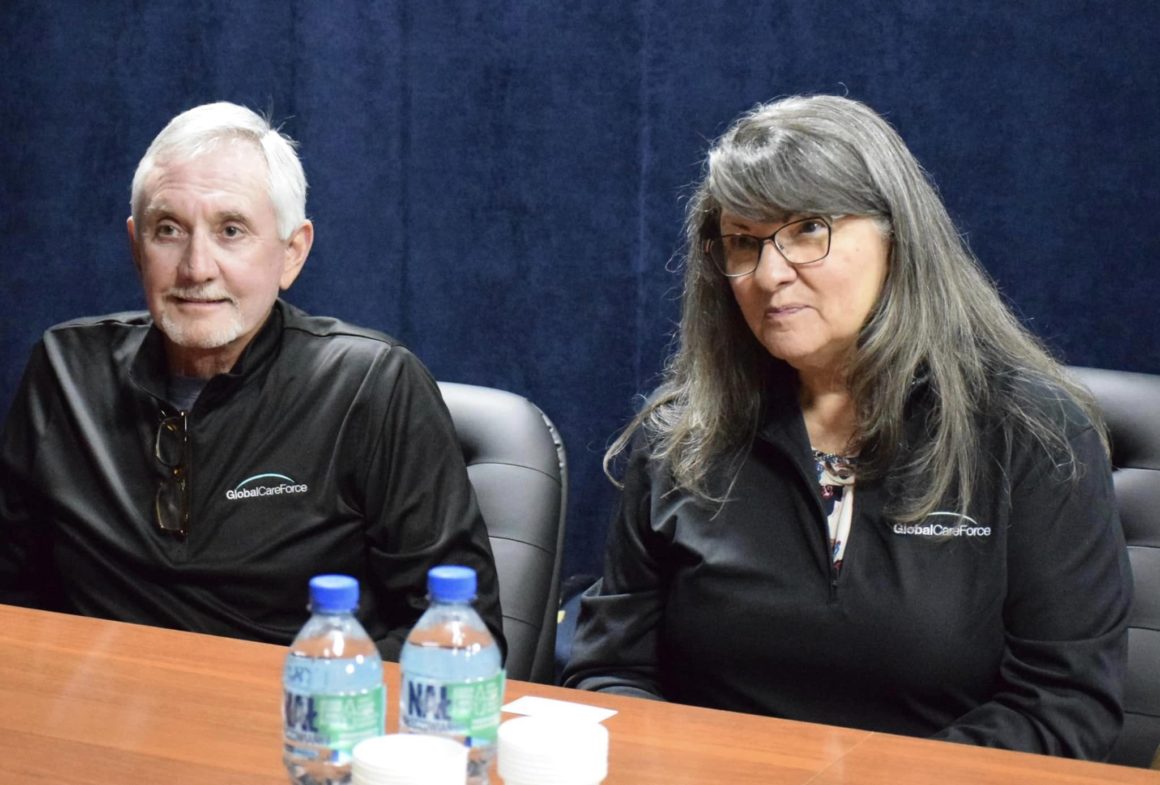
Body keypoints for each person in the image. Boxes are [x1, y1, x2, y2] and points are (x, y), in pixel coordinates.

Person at [562, 95, 1132, 759]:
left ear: (897, 238)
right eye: (744, 241)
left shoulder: (1033, 432)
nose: (770, 274)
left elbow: (1063, 705)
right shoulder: (681, 436)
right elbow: (609, 671)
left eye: (808, 229)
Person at [0, 101, 504, 660]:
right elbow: (13, 596)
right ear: (136, 247)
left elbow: (461, 635)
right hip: (102, 701)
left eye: (231, 230)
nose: (196, 268)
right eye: (168, 230)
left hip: (300, 705)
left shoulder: (372, 386)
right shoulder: (65, 370)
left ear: (292, 253)